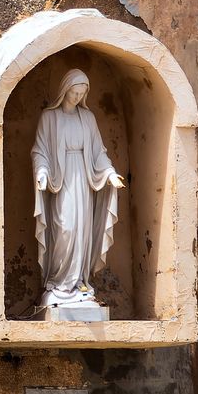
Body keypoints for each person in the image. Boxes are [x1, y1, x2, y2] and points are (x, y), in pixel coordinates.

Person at [31, 68, 126, 317]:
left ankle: (79, 282)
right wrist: (41, 172)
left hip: (83, 181)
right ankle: (58, 282)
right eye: (73, 92)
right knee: (65, 229)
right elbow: (39, 150)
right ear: (65, 90)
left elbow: (98, 151)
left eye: (81, 93)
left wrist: (109, 173)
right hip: (60, 182)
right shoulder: (49, 118)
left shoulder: (88, 117)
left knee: (82, 231)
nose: (76, 97)